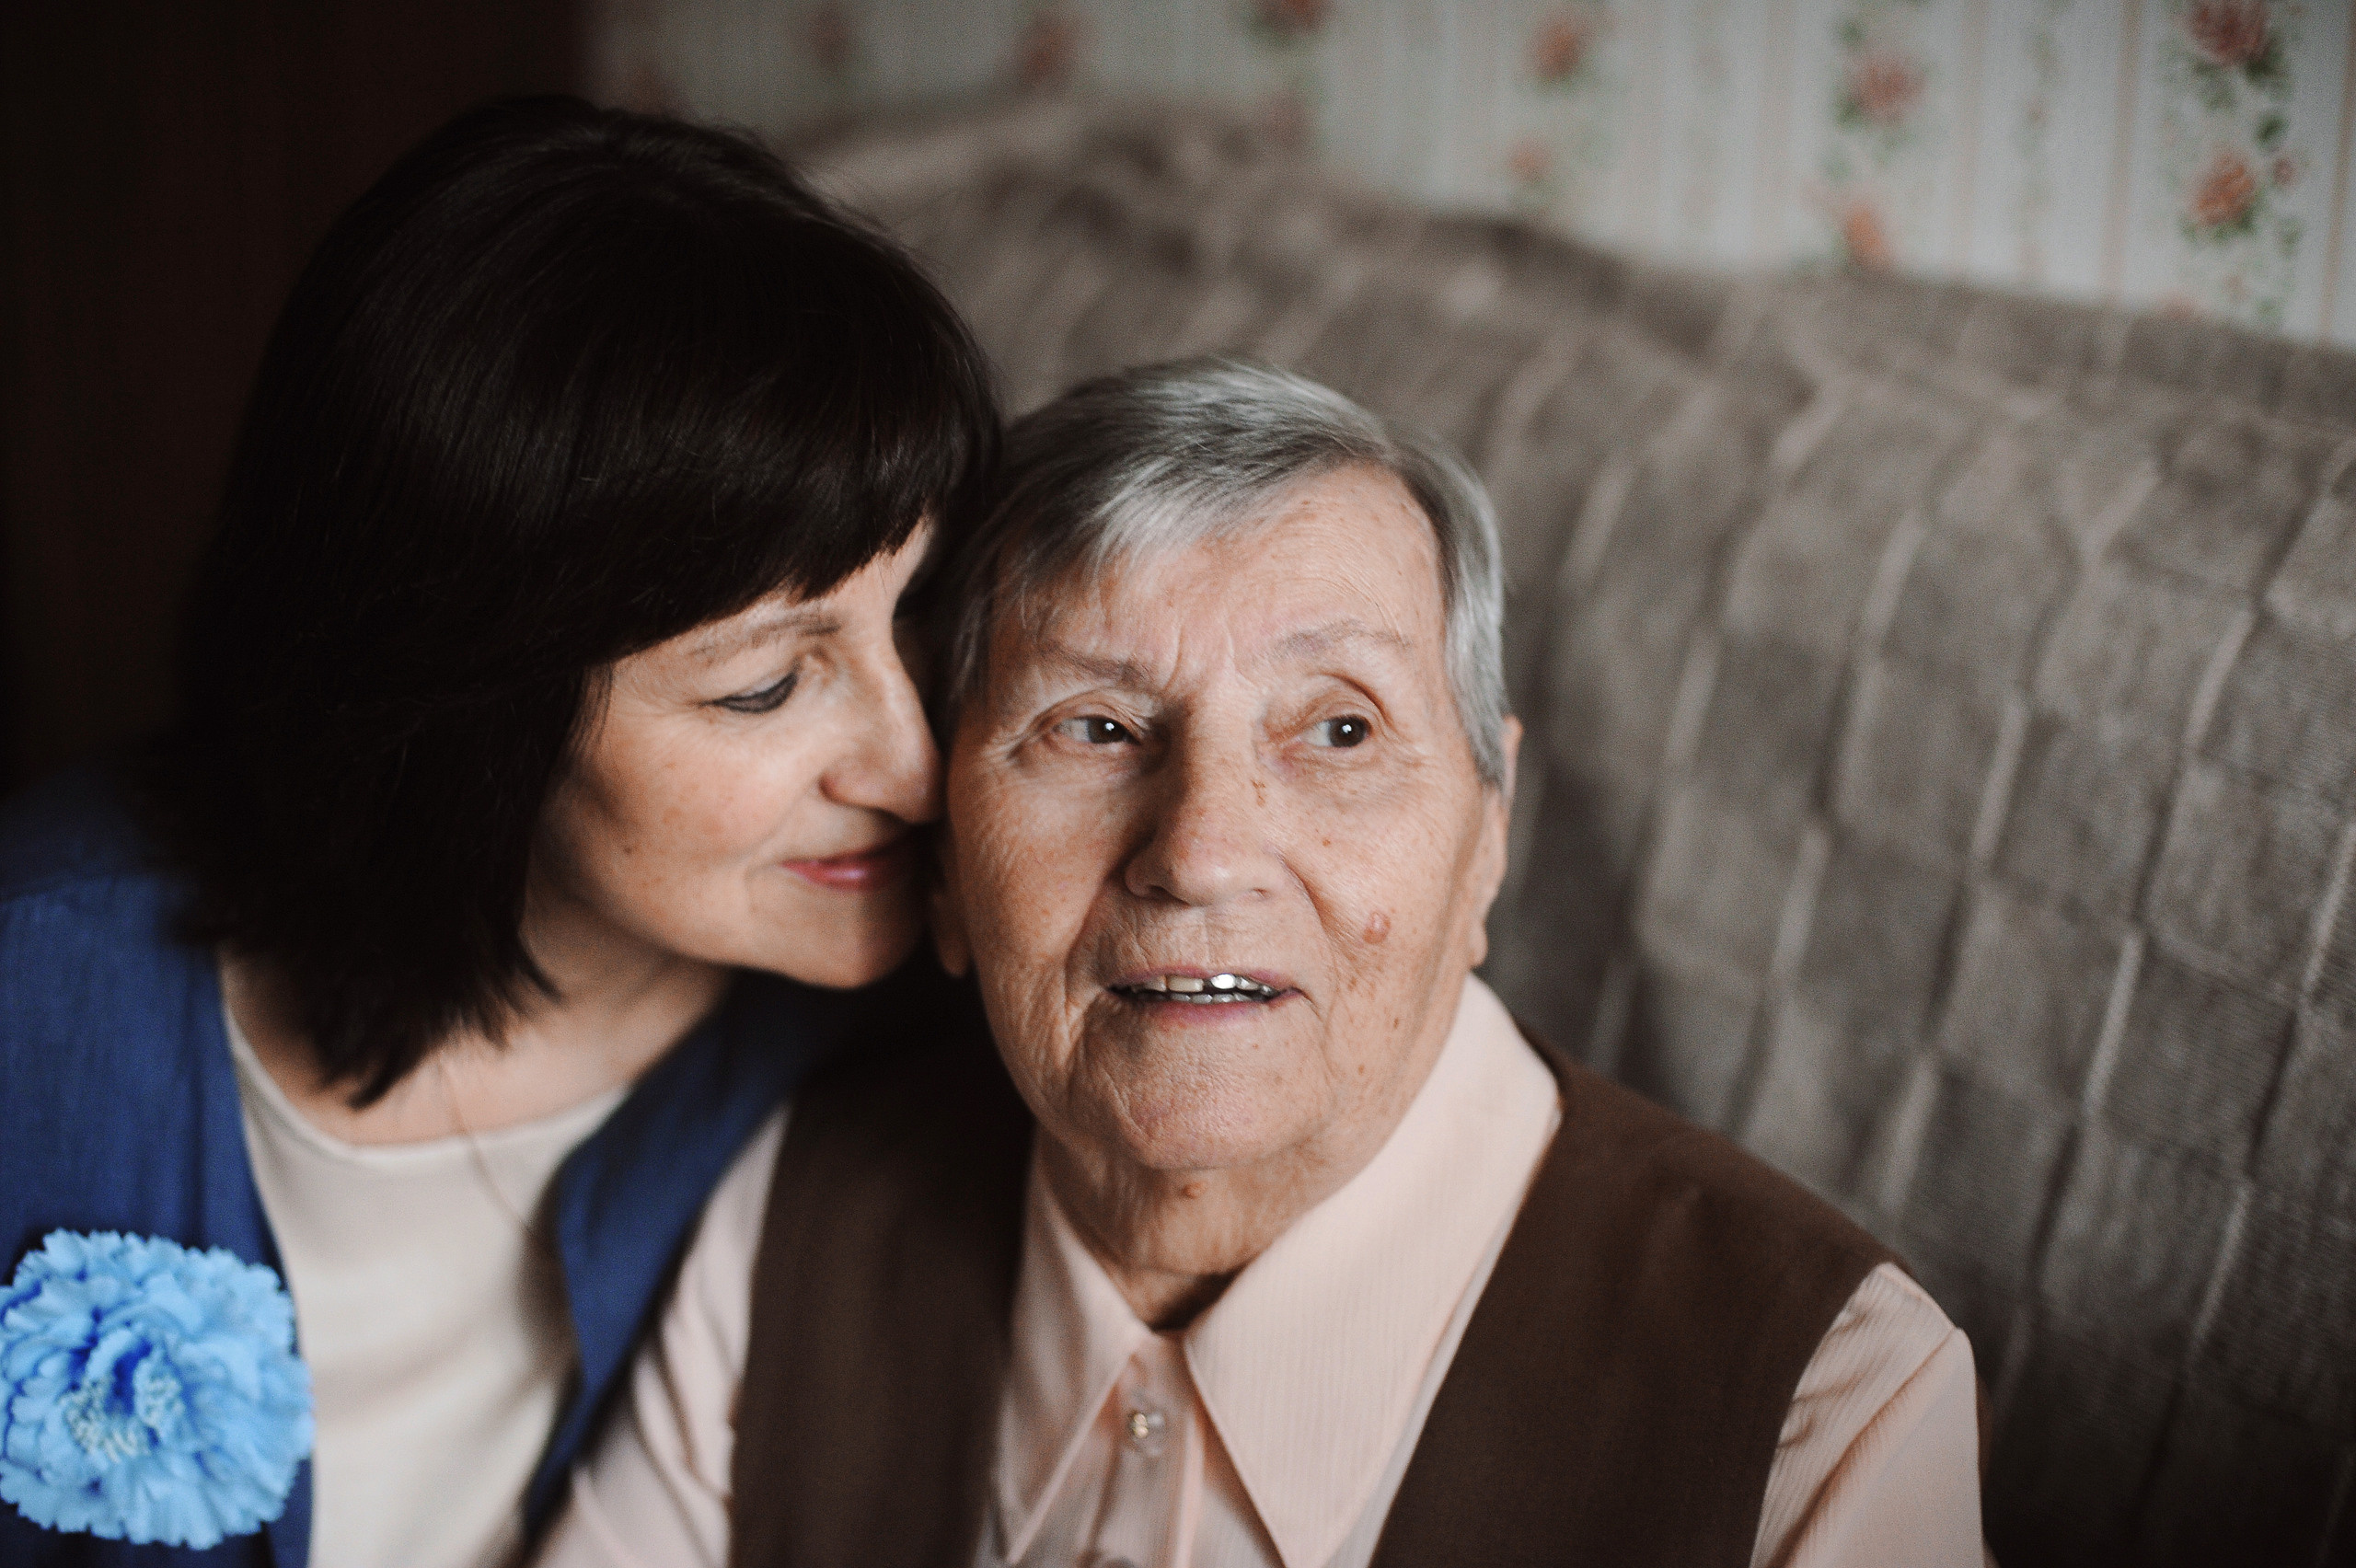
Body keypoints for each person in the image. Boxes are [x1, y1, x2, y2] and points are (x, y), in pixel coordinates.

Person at [541, 358, 1986, 1567]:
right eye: (1094, 728)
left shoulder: (1820, 1402)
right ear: (944, 872)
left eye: (1340, 729)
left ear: (1490, 834)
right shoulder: (794, 1213)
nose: (1204, 849)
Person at [0, 96, 996, 1567]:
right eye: (767, 683)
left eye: (922, 613)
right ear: (474, 708)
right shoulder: (41, 994)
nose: (920, 771)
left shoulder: (929, 1036)